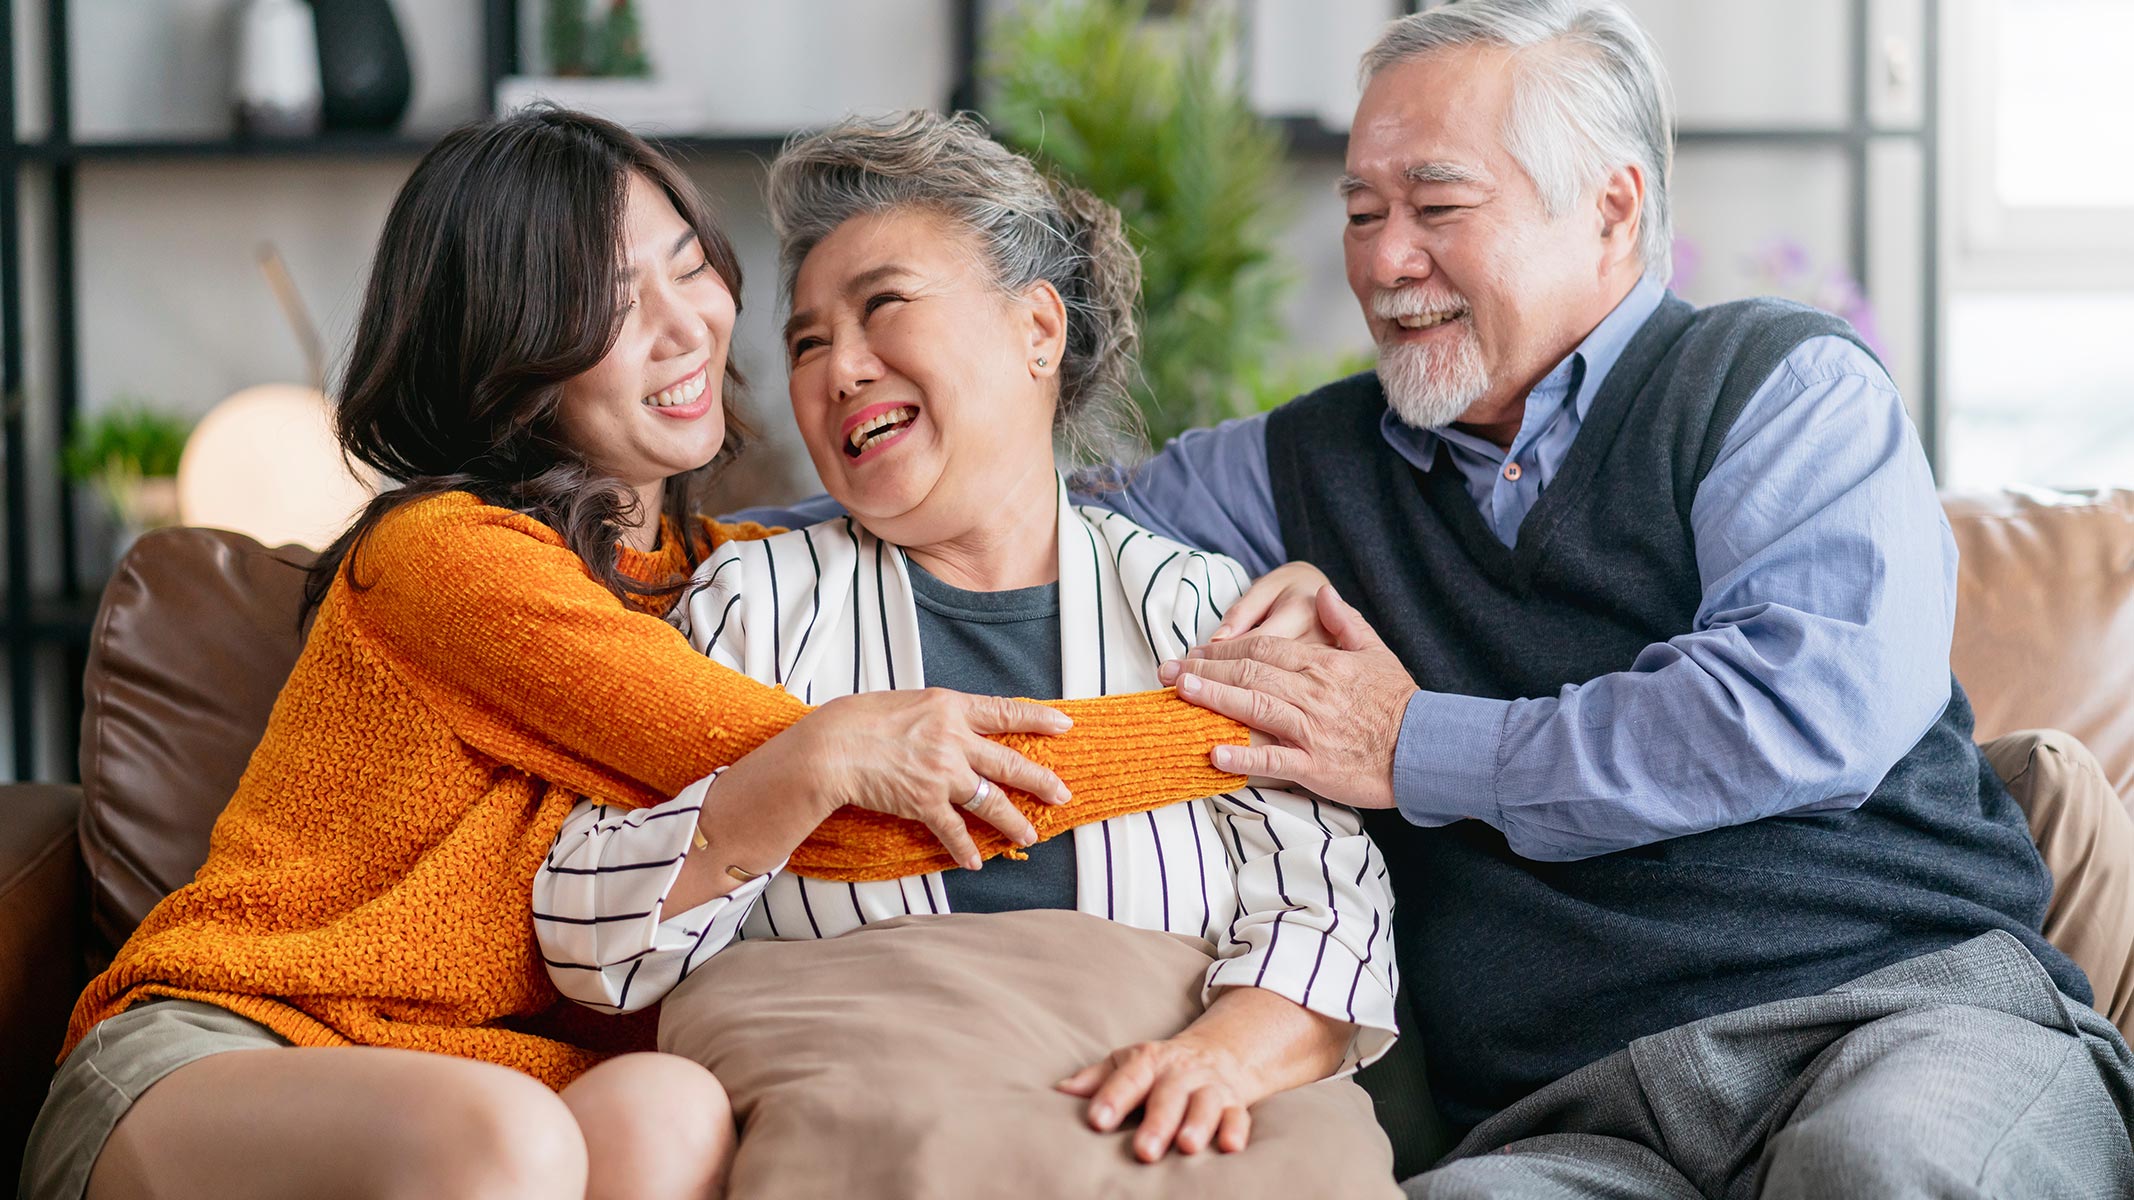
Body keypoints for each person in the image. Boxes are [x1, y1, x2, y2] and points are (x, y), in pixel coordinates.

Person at [21, 109, 1251, 1200]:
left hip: (505, 1079)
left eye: (690, 269)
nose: (685, 329)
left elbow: (1013, 487)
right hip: (243, 1048)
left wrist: (1251, 590)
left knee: (672, 1109)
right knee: (509, 1146)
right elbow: (845, 804)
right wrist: (1252, 726)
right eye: (610, 306)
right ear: (510, 356)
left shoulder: (725, 572)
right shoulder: (453, 560)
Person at [1073, 1, 2134, 1194]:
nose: (1381, 259)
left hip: (1895, 1024)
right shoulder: (1297, 471)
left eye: (1435, 205)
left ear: (1611, 209)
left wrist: (1411, 741)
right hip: (1569, 1120)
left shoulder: (1778, 388)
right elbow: (1015, 531)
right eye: (1362, 213)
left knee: (1881, 1175)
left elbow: (1795, 711)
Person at [533, 110, 1399, 1170]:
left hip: (1188, 1122)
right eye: (806, 342)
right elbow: (585, 932)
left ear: (1037, 330)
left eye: (882, 305)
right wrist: (807, 767)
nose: (838, 368)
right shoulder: (753, 605)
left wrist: (1219, 1060)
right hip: (885, 1116)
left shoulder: (1202, 609)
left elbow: (1332, 910)